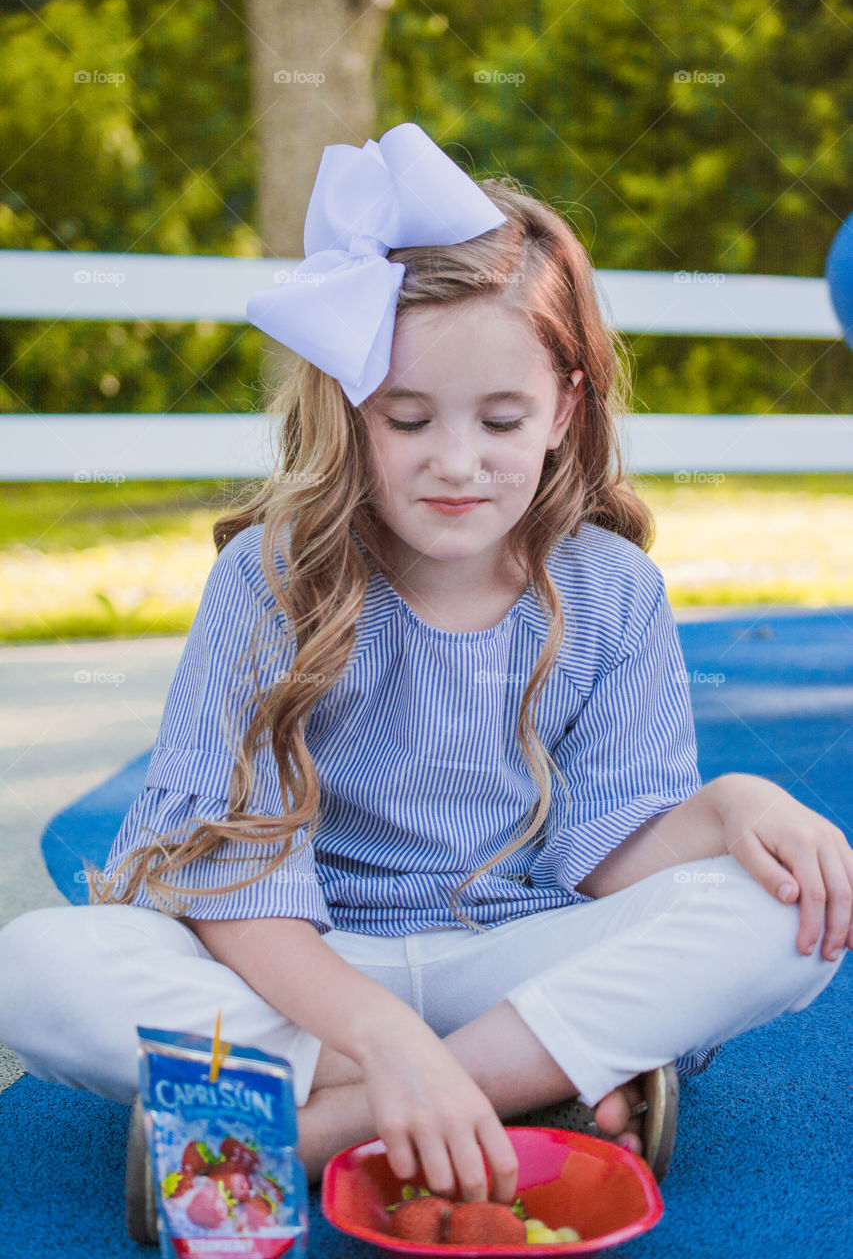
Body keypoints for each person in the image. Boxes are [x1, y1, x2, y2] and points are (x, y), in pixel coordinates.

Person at [0, 123, 849, 1206]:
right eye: (408, 419)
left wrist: (735, 805)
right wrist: (382, 1033)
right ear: (353, 410)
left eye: (501, 418)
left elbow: (611, 852)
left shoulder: (612, 589)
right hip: (308, 969)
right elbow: (226, 879)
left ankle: (318, 1128)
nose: (457, 462)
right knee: (36, 962)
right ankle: (526, 1081)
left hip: (518, 948)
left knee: (785, 911)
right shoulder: (272, 579)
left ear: (565, 410)